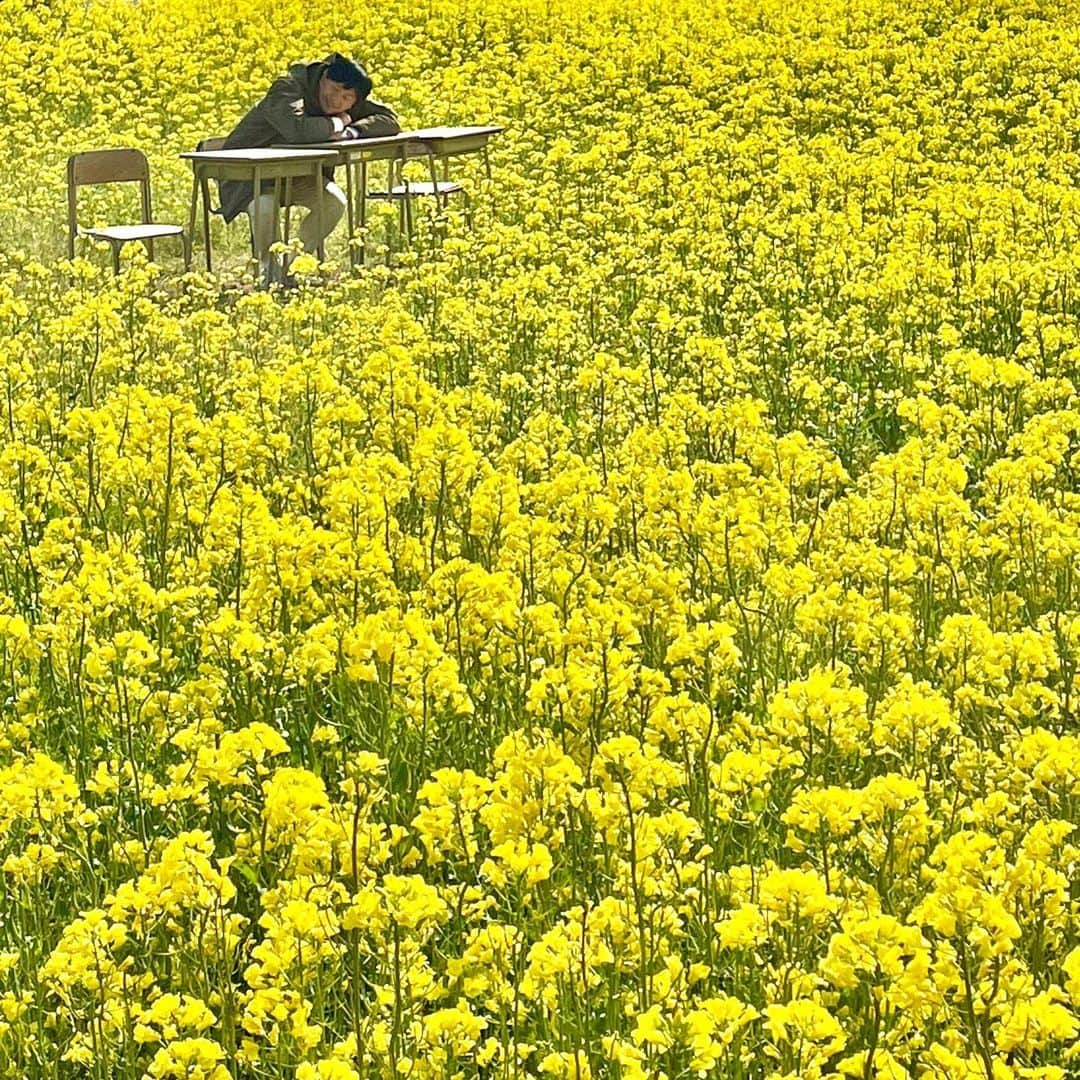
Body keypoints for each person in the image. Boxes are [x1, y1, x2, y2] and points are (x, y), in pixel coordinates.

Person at [219, 53, 400, 283]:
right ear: (323, 77)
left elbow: (390, 120)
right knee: (264, 205)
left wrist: (352, 131)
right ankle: (268, 271)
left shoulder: (348, 99)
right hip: (248, 177)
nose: (337, 102)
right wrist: (339, 122)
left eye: (346, 98)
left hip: (296, 175)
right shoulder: (288, 89)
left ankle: (292, 267)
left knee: (334, 202)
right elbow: (298, 130)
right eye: (334, 90)